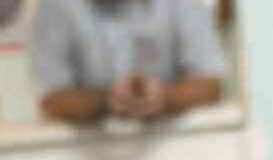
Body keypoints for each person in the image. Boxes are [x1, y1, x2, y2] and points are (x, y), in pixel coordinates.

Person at [31, 0, 224, 126]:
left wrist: (164, 96)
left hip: (178, 153)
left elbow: (210, 86)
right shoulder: (55, 7)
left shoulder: (181, 4)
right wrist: (107, 100)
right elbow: (52, 100)